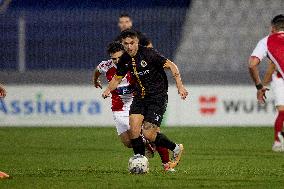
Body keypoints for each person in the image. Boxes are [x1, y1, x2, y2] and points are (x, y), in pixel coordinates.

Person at [102, 30, 189, 169]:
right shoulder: (124, 59)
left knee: (148, 134)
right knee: (134, 132)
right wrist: (108, 90)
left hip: (157, 97)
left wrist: (180, 86)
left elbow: (171, 66)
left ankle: (176, 148)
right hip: (139, 97)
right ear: (122, 44)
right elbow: (117, 79)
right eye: (126, 44)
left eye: (132, 43)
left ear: (137, 42)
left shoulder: (149, 54)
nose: (129, 47)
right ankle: (140, 165)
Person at [93, 42, 173, 171]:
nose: (117, 61)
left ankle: (167, 165)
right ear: (110, 57)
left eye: (120, 57)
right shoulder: (106, 66)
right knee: (128, 143)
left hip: (136, 102)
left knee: (151, 132)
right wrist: (95, 80)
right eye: (114, 59)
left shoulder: (133, 63)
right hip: (118, 109)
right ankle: (147, 144)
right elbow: (97, 71)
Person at [249, 14, 284, 152]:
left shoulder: (267, 41)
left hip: (280, 79)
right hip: (279, 78)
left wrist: (260, 86)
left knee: (282, 111)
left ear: (272, 28)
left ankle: (277, 141)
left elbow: (252, 64)